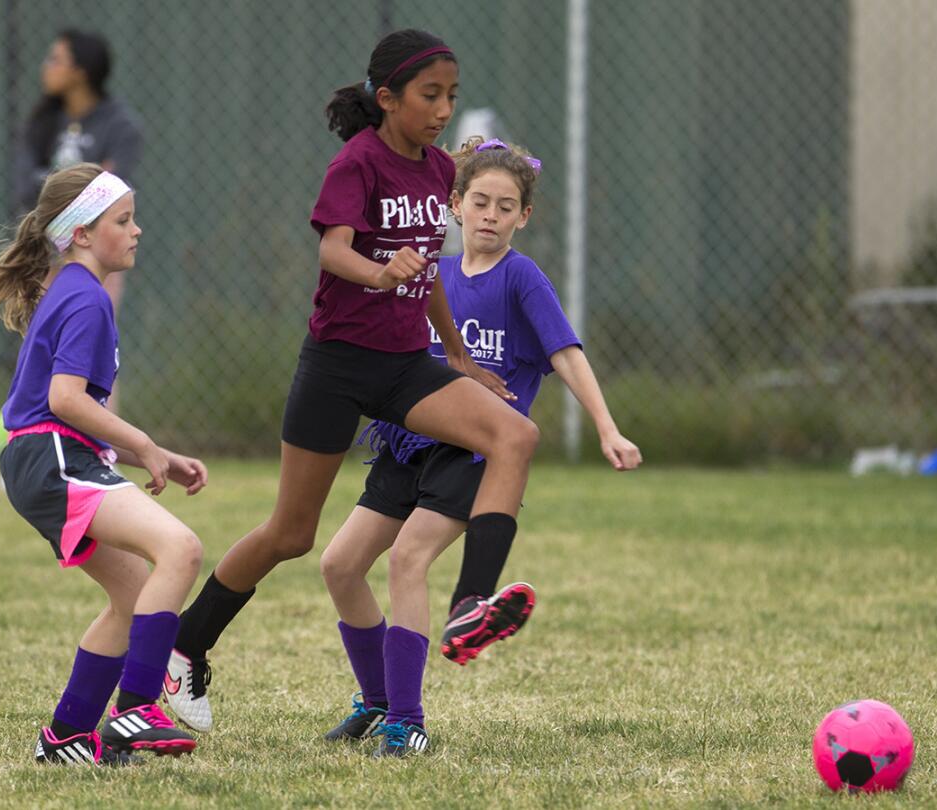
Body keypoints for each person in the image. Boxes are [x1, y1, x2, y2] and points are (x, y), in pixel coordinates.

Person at [159, 29, 540, 748]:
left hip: (404, 366)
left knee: (514, 433)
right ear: (388, 98)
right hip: (337, 363)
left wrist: (456, 354)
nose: (443, 110)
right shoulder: (357, 163)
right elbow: (335, 249)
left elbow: (425, 272)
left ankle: (468, 606)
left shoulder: (436, 172)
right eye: (430, 96)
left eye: (452, 97)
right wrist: (377, 272)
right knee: (291, 535)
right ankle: (185, 646)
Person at [318, 136, 643, 757]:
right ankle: (377, 698)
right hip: (408, 444)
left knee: (407, 560)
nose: (491, 215)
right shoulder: (433, 275)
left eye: (506, 206)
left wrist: (606, 425)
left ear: (524, 216)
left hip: (471, 457)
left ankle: (406, 722)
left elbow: (566, 355)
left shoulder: (521, 279)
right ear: (455, 205)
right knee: (338, 565)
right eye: (480, 202)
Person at [0, 162, 207, 765]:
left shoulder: (73, 290)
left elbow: (69, 410)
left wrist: (158, 456)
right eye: (123, 221)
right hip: (51, 456)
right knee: (180, 549)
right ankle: (136, 710)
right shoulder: (86, 298)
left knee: (132, 600)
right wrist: (145, 444)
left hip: (40, 457)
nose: (137, 231)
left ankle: (68, 735)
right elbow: (64, 401)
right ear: (80, 233)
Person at [11, 28, 143, 414]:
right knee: (42, 338)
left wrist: (52, 186)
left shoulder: (119, 124)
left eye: (56, 59)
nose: (46, 67)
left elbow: (114, 189)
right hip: (48, 247)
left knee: (94, 340)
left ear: (81, 70)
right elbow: (24, 186)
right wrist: (81, 187)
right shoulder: (41, 122)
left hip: (95, 247)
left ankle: (102, 441)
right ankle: (29, 431)